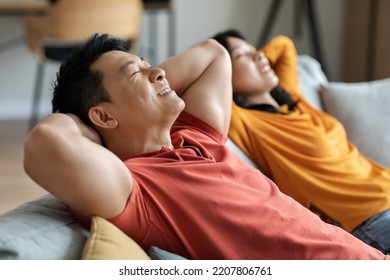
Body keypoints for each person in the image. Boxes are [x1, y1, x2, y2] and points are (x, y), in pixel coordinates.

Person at [23, 33, 389, 260]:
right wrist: (94, 128)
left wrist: (145, 87)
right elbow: (45, 142)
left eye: (150, 65)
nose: (160, 73)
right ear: (102, 118)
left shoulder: (195, 137)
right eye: (137, 74)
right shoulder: (136, 188)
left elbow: (214, 53)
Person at [212, 29, 390, 254]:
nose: (259, 56)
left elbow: (284, 45)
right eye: (241, 56)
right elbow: (199, 80)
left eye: (255, 51)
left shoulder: (293, 101)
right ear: (224, 74)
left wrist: (252, 59)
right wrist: (225, 61)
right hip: (368, 219)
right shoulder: (243, 119)